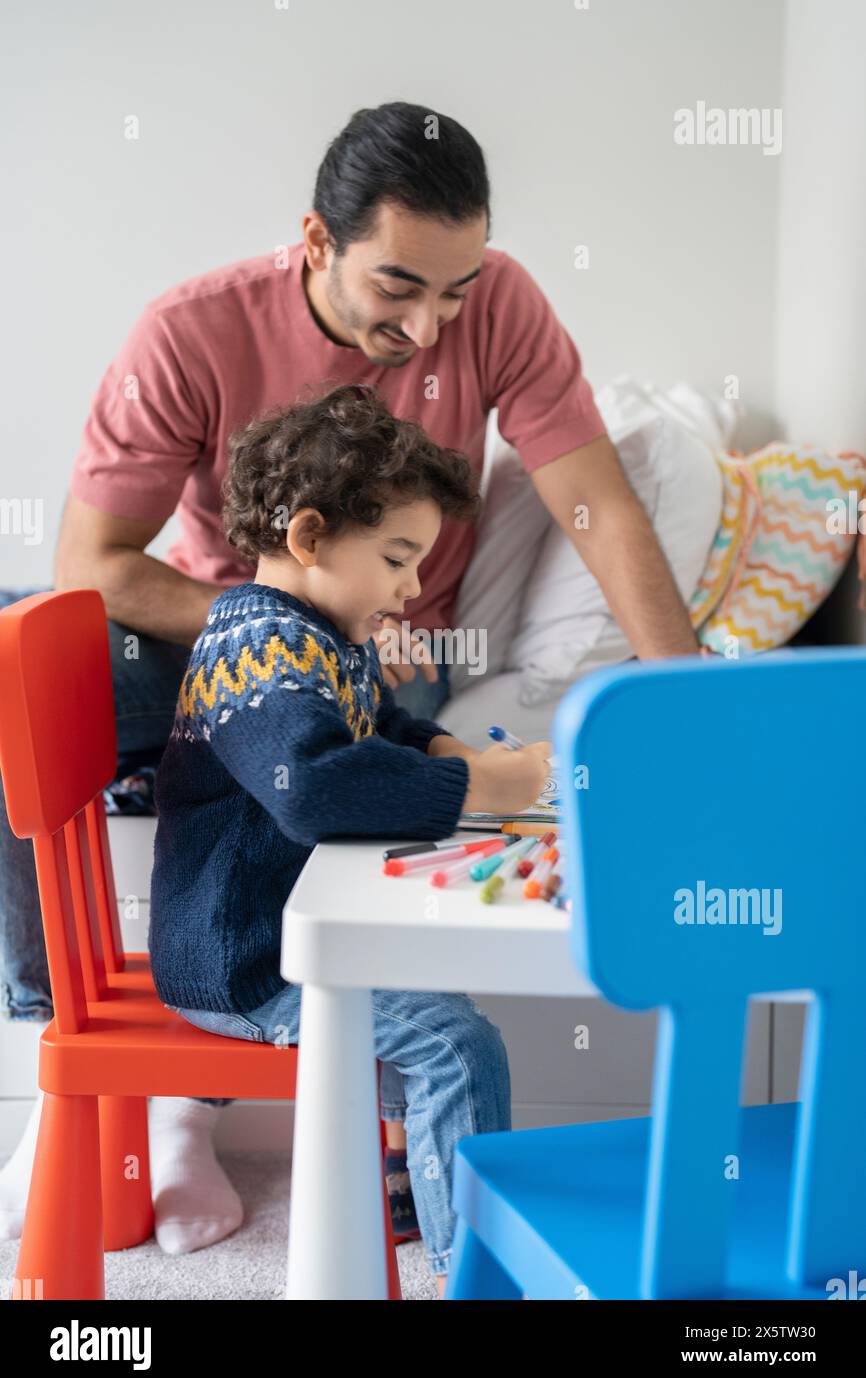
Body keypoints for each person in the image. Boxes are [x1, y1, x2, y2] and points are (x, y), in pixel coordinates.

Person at [0, 99, 698, 1256]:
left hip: (368, 647)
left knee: (335, 763)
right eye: (397, 290)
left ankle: (200, 1093)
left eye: (456, 292)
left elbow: (593, 501)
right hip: (213, 620)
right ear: (317, 245)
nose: (431, 327)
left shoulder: (501, 304)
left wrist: (683, 702)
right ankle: (64, 1068)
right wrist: (282, 625)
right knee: (24, 654)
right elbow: (95, 567)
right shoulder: (190, 329)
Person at [149, 381, 552, 1296]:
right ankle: (475, 1275)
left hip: (273, 940)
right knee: (454, 1044)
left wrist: (440, 744)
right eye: (400, 557)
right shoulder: (257, 648)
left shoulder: (315, 634)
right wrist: (475, 782)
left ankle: (430, 1197)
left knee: (442, 997)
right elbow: (317, 786)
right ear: (309, 538)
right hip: (244, 963)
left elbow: (366, 726)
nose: (414, 586)